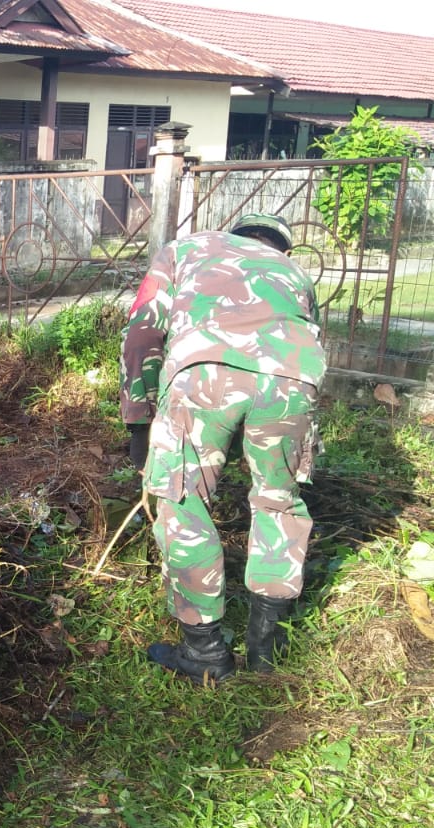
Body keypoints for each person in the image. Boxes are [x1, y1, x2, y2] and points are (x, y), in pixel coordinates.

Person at [121, 212, 325, 684]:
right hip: (293, 382)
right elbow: (303, 341)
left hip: (204, 373)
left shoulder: (185, 249)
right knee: (279, 501)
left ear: (230, 236)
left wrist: (137, 421)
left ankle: (205, 652)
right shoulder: (295, 272)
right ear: (283, 248)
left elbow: (142, 335)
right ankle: (266, 650)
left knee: (184, 502)